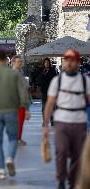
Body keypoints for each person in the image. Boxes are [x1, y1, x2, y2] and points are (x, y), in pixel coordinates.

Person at [43, 49, 89, 189]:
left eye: (72, 60)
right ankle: (61, 180)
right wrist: (45, 124)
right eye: (66, 60)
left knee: (77, 154)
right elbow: (50, 103)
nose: (69, 63)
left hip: (79, 121)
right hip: (62, 120)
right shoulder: (58, 81)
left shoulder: (85, 81)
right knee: (61, 151)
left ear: (78, 62)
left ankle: (72, 180)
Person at [0, 50, 30, 180]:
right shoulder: (14, 74)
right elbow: (23, 93)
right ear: (7, 59)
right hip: (11, 111)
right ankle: (10, 158)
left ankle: (1, 171)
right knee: (13, 138)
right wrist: (26, 108)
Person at [12, 56, 30, 146]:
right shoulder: (15, 73)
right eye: (18, 61)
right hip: (17, 101)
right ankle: (17, 139)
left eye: (21, 61)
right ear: (14, 62)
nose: (20, 63)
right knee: (18, 121)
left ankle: (18, 138)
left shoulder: (19, 72)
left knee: (20, 121)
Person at [39, 58, 57, 126]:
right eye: (45, 62)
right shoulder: (42, 71)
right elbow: (39, 80)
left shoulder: (52, 70)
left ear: (49, 63)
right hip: (44, 91)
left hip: (51, 92)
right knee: (44, 107)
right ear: (44, 63)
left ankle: (52, 120)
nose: (46, 63)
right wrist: (43, 74)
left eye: (47, 62)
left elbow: (54, 80)